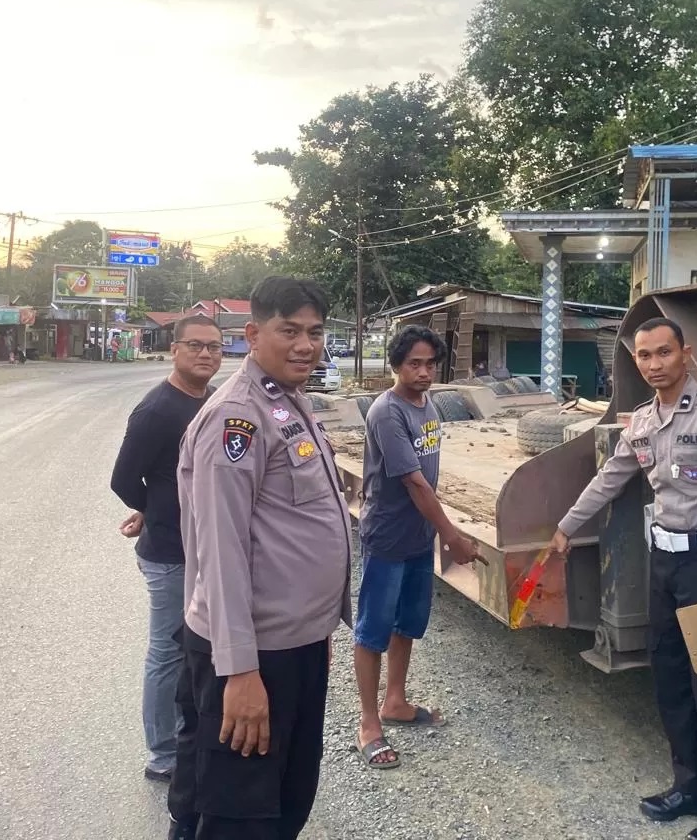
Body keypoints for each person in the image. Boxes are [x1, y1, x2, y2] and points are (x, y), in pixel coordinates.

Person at [550, 317, 697, 840]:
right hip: (664, 565)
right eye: (644, 356)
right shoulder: (643, 422)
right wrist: (566, 526)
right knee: (670, 682)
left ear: (685, 354)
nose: (653, 364)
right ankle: (689, 787)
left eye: (663, 353)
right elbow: (611, 479)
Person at [169, 276, 352, 840]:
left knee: (288, 794)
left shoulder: (287, 399)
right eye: (288, 330)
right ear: (252, 334)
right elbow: (219, 552)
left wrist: (320, 622)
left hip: (294, 643)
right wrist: (240, 672)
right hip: (253, 656)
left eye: (315, 332)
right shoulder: (237, 418)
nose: (306, 344)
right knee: (240, 814)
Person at [353, 325, 487, 770]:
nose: (425, 372)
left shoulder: (427, 405)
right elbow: (412, 481)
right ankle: (369, 723)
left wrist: (435, 531)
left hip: (416, 537)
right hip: (388, 536)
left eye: (431, 363)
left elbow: (428, 477)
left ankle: (396, 701)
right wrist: (452, 535)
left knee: (407, 623)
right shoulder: (387, 412)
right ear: (396, 365)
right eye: (415, 363)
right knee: (373, 629)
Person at [110, 313, 224, 784]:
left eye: (215, 347)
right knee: (168, 651)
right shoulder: (156, 410)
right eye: (195, 345)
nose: (205, 354)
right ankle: (161, 754)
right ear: (174, 350)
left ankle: (190, 734)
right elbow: (122, 479)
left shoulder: (214, 400)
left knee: (202, 648)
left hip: (207, 549)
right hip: (171, 554)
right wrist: (153, 510)